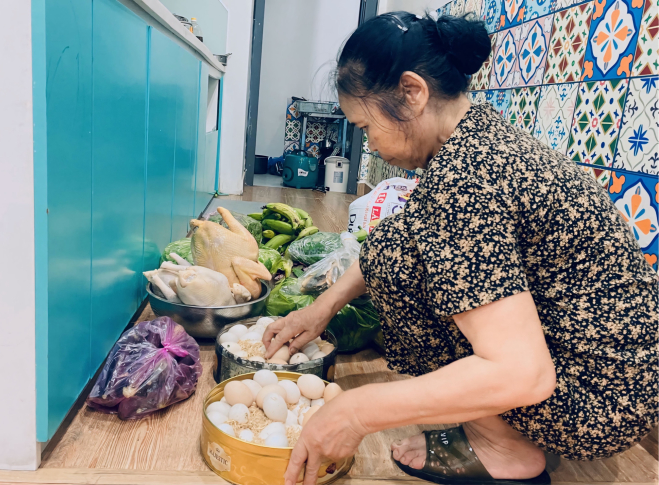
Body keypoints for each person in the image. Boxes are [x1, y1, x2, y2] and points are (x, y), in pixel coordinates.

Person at [263, 11, 658, 485]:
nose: (368, 144)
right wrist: (321, 308)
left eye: (366, 126)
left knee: (405, 265)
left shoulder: (465, 179)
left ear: (412, 93)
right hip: (618, 370)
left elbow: (523, 375)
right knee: (392, 245)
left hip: (602, 399)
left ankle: (504, 447)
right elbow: (402, 235)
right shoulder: (478, 135)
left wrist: (355, 412)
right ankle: (500, 430)